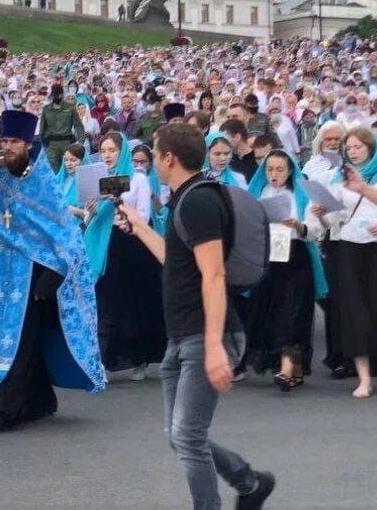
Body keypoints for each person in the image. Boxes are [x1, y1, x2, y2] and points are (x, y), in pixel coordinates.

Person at [117, 123, 275, 510]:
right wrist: (139, 228)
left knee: (187, 436)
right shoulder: (184, 199)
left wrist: (214, 346)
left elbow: (215, 273)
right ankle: (250, 483)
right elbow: (178, 263)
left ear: (169, 158)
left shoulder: (198, 202)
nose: (152, 161)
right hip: (183, 336)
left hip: (205, 335)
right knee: (180, 434)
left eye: (154, 154)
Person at [0, 111, 105, 431]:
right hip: (1, 270)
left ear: (27, 143)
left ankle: (5, 407)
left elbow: (64, 233)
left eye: (12, 142)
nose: (6, 147)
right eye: (2, 141)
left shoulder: (41, 181)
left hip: (33, 275)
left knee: (20, 339)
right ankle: (38, 400)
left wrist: (52, 276)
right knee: (15, 337)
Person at [304, 127, 377, 398]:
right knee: (355, 311)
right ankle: (364, 377)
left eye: (358, 147)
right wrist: (321, 214)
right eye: (349, 148)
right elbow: (334, 218)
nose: (353, 152)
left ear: (371, 148)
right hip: (349, 248)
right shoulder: (338, 177)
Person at [82, 132, 164, 380]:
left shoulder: (137, 179)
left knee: (132, 302)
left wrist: (116, 200)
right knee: (106, 302)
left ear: (122, 152)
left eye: (112, 150)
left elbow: (143, 214)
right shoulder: (98, 178)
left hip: (130, 245)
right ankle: (104, 360)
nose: (107, 155)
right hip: (104, 245)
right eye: (103, 150)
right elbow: (90, 218)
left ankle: (139, 358)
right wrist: (92, 209)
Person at [244, 151, 326, 391]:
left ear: (290, 170)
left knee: (292, 312)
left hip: (295, 257)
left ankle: (287, 369)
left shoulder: (301, 194)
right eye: (269, 169)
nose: (274, 175)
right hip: (269, 258)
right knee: (271, 312)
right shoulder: (259, 193)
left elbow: (315, 231)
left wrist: (298, 225)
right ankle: (291, 368)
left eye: (280, 169)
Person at [38, 84, 85, 169]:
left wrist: (80, 143)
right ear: (52, 95)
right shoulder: (46, 109)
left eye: (59, 94)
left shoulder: (70, 108)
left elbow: (78, 126)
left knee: (68, 168)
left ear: (62, 94)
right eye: (55, 94)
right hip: (51, 145)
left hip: (67, 143)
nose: (57, 96)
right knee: (54, 169)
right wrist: (44, 143)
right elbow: (42, 128)